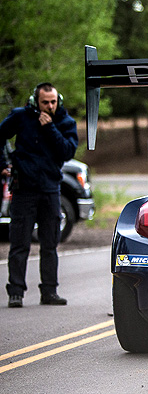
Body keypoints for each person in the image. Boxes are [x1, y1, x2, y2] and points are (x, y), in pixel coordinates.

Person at [1, 83, 78, 307]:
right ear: (36, 101)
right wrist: (3, 164)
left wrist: (50, 128)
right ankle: (16, 292)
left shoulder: (65, 122)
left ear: (59, 101)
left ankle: (49, 292)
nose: (50, 106)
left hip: (51, 190)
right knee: (19, 243)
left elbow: (67, 151)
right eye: (45, 102)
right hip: (23, 189)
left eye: (53, 102)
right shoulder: (21, 117)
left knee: (50, 244)